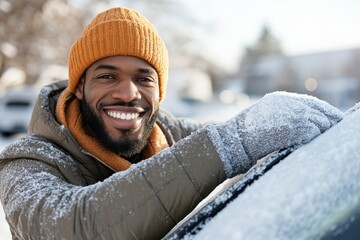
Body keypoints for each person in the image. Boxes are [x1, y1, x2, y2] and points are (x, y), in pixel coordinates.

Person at [0, 7, 343, 239]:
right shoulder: (27, 163)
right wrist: (231, 143)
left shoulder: (171, 135)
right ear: (79, 88)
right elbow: (73, 226)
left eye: (144, 78)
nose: (127, 93)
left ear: (159, 90)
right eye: (107, 76)